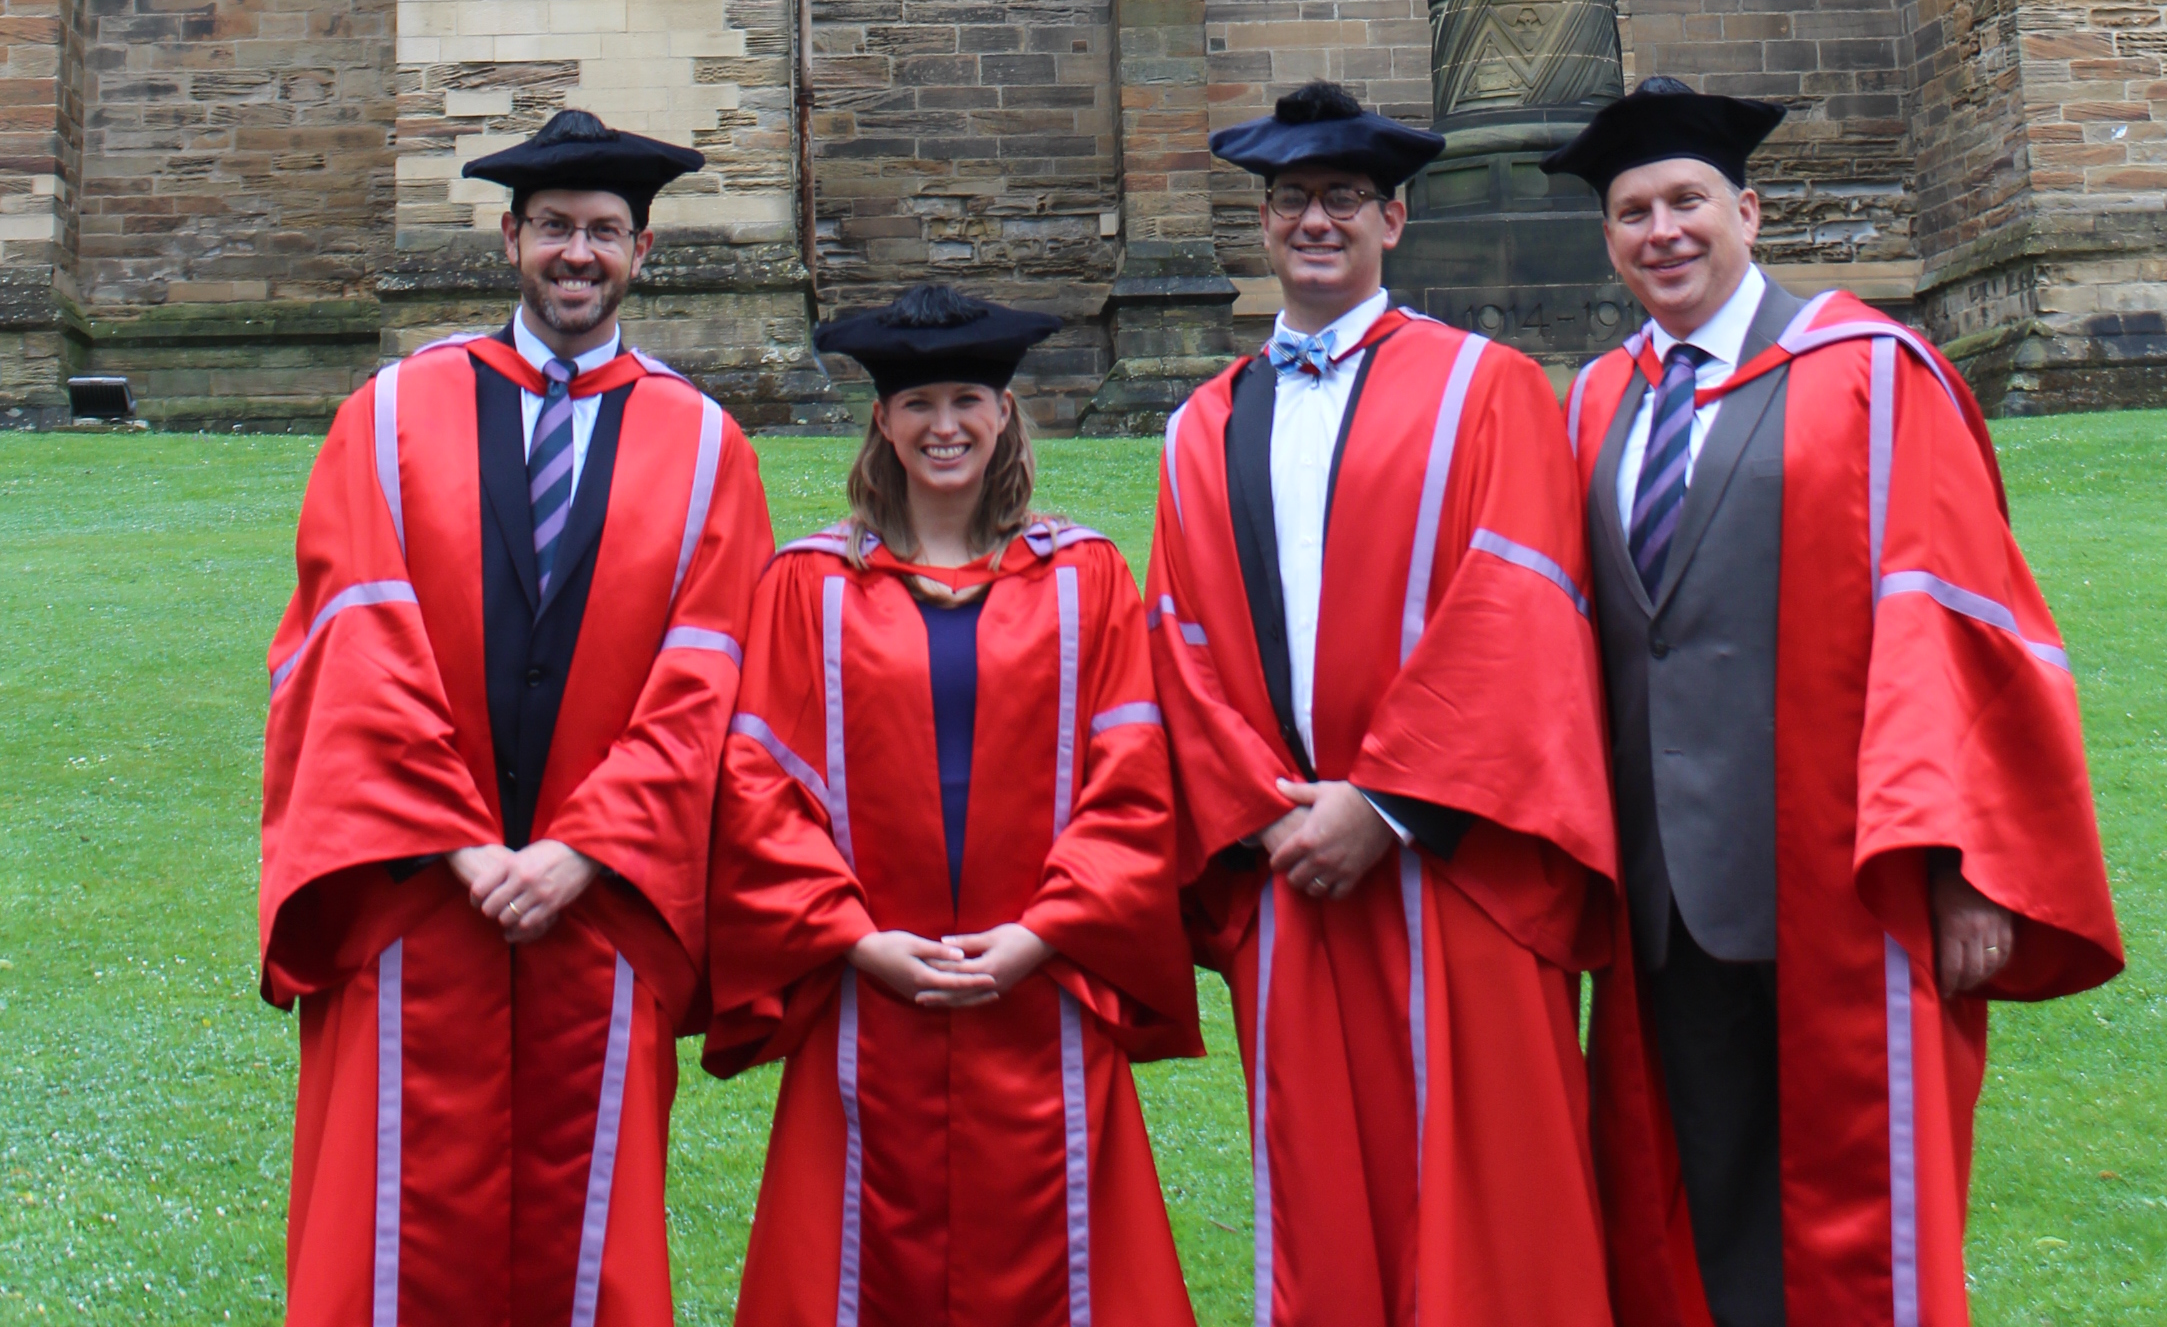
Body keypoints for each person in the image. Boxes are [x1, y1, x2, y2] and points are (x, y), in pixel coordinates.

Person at [1554, 75, 2124, 1327]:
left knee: (1857, 1208)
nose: (1663, 233)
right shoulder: (1595, 402)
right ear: (1609, 236)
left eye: (1688, 202)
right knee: (1687, 1207)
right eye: (1634, 212)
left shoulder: (1873, 374)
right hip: (1655, 894)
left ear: (1749, 212)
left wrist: (1966, 866)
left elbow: (1954, 627)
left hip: (1843, 875)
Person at [259, 107, 771, 1327]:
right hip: (415, 895)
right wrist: (464, 843)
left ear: (642, 251)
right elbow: (354, 647)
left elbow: (709, 682)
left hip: (600, 905)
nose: (576, 253)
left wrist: (581, 848)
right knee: (387, 1235)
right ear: (509, 241)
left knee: (582, 1241)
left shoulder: (707, 447)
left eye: (603, 231)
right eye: (553, 228)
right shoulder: (391, 413)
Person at [1147, 81, 1618, 1327]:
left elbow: (1517, 607)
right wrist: (1266, 813)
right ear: (1263, 222)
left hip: (1455, 859)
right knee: (1320, 1193)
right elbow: (1177, 646)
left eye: (1344, 198)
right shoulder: (1203, 424)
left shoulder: (1489, 386)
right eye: (1292, 199)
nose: (1317, 221)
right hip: (1286, 863)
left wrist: (1387, 803)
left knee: (1494, 1193)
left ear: (1393, 219)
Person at [705, 280, 1200, 1327]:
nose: (946, 426)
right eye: (919, 404)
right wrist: (854, 940)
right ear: (882, 421)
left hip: (1042, 995)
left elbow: (1135, 784)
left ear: (1005, 413)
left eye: (968, 400)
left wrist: (1042, 934)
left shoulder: (1086, 579)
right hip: (867, 1001)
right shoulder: (807, 586)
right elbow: (757, 793)